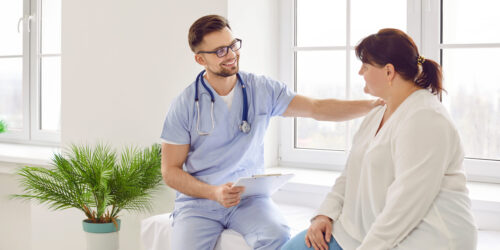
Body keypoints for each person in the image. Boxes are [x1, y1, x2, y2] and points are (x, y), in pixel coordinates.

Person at [160, 15, 382, 250]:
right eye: (221, 51)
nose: (232, 55)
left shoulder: (261, 89)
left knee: (276, 236)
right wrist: (213, 192)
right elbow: (170, 171)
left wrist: (371, 106)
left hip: (249, 200)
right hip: (199, 204)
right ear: (199, 58)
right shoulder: (185, 104)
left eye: (233, 45)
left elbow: (317, 108)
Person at [282, 28, 477, 250]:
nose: (359, 72)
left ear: (389, 72)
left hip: (426, 237)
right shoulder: (377, 113)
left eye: (365, 66)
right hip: (359, 232)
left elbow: (406, 204)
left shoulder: (426, 119)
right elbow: (349, 174)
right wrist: (325, 214)